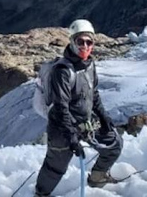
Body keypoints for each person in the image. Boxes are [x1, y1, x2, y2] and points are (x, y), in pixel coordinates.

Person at [34, 19, 123, 197]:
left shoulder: (89, 65)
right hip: (62, 128)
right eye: (80, 41)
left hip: (85, 123)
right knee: (55, 168)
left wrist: (104, 118)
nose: (84, 45)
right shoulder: (62, 71)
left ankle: (97, 177)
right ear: (72, 41)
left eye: (89, 42)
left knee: (114, 144)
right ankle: (40, 194)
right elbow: (60, 107)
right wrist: (71, 137)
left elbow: (93, 94)